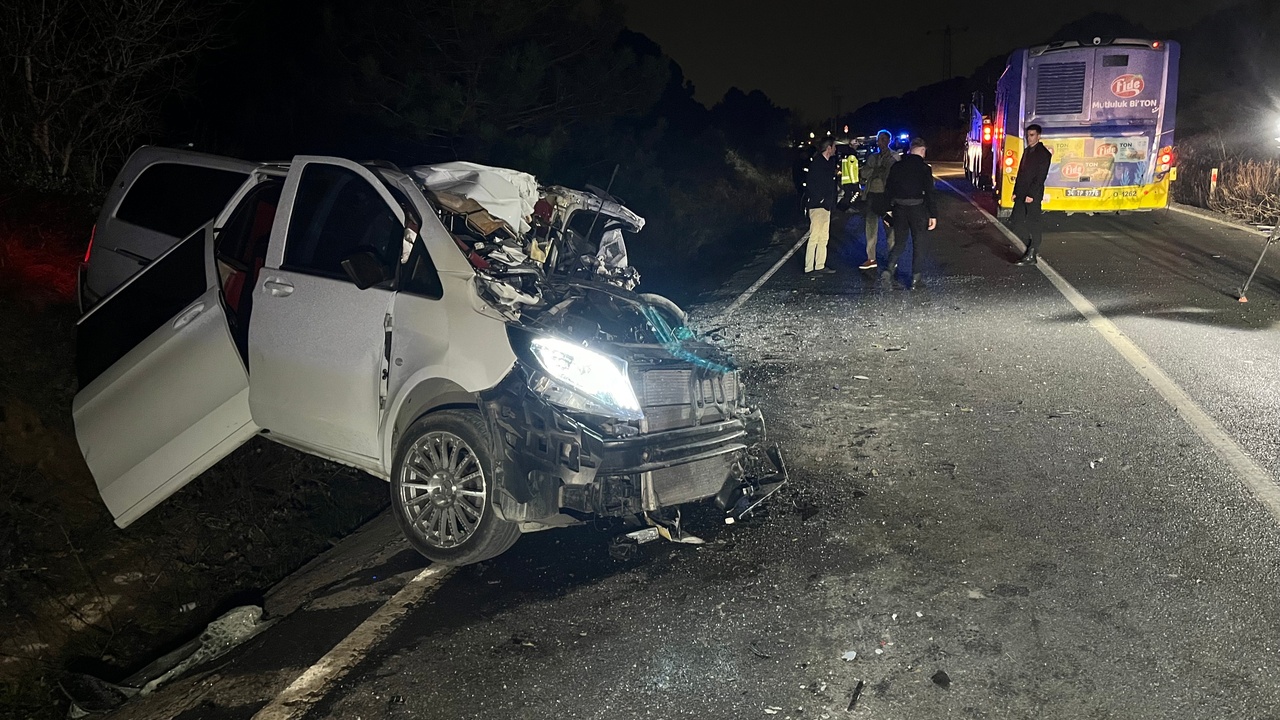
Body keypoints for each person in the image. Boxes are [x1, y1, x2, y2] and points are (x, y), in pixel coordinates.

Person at [880, 137, 937, 290]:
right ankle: (915, 280)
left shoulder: (897, 166)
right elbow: (930, 193)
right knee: (919, 243)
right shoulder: (925, 169)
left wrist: (887, 210)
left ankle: (888, 270)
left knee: (899, 242)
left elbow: (888, 189)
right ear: (922, 151)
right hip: (917, 208)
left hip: (899, 208)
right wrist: (933, 215)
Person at [1011, 124, 1052, 266]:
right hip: (1021, 193)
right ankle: (1031, 248)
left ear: (1039, 136)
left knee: (1033, 223)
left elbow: (1041, 177)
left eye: (1032, 135)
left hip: (1032, 195)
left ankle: (1032, 253)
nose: (1029, 138)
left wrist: (1031, 194)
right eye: (1028, 135)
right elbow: (1021, 173)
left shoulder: (1044, 154)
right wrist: (1015, 192)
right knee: (1016, 221)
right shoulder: (1027, 151)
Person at [860, 130, 899, 271]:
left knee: (890, 230)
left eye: (883, 139)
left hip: (886, 197)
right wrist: (876, 170)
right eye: (878, 140)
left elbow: (892, 175)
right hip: (871, 196)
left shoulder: (894, 157)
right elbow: (864, 173)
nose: (880, 142)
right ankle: (871, 258)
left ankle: (892, 260)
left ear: (888, 141)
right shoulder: (872, 157)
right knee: (870, 229)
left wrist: (876, 171)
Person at [801, 138, 839, 274]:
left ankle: (820, 265)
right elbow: (811, 185)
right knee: (815, 236)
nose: (835, 149)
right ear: (828, 148)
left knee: (824, 237)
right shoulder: (817, 164)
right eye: (834, 146)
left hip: (826, 205)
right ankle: (809, 267)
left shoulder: (829, 163)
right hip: (817, 205)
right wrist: (821, 200)